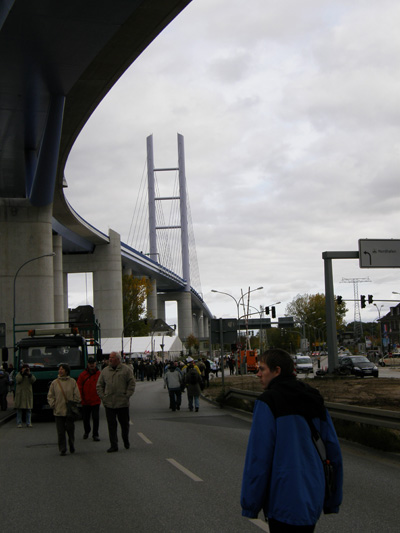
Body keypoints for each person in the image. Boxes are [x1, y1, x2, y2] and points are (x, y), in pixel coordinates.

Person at [241, 349, 343, 531]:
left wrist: (250, 504)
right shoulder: (313, 398)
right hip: (313, 496)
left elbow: (258, 458)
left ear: (277, 371)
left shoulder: (268, 402)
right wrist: (332, 499)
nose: (257, 374)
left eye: (262, 369)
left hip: (283, 499)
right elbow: (333, 450)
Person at [96, 351, 136, 453]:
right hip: (109, 403)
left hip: (122, 403)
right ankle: (114, 445)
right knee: (111, 426)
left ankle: (125, 439)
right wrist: (103, 397)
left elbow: (132, 383)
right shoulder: (105, 371)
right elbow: (99, 385)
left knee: (124, 424)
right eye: (110, 357)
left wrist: (127, 395)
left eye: (112, 357)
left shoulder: (126, 370)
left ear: (118, 359)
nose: (110, 359)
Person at [47, 363, 81, 456]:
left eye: (62, 369)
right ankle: (62, 448)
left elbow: (77, 395)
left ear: (66, 371)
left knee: (70, 430)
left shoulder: (72, 382)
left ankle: (71, 444)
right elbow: (50, 396)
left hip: (69, 411)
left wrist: (74, 403)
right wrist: (53, 404)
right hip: (58, 411)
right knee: (61, 432)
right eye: (59, 369)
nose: (60, 371)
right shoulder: (54, 383)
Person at [77, 356, 101, 441]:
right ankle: (87, 431)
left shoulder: (99, 374)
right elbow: (79, 386)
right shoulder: (83, 375)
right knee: (86, 418)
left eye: (93, 363)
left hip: (96, 400)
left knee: (96, 418)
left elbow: (103, 385)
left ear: (95, 364)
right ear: (88, 364)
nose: (92, 365)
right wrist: (80, 397)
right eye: (90, 363)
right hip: (85, 401)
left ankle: (95, 434)